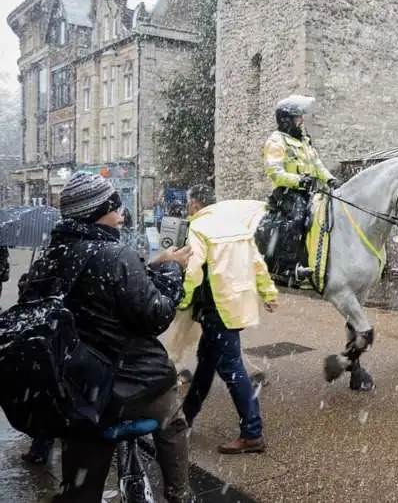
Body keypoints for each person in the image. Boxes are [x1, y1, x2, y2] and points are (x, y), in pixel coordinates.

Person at [19, 172, 194, 502]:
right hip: (132, 386)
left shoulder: (48, 259)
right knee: (172, 418)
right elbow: (156, 315)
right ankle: (179, 493)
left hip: (76, 391)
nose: (122, 213)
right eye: (115, 206)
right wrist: (172, 272)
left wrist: (150, 266)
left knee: (82, 473)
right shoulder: (114, 255)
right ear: (98, 210)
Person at [180, 185, 279, 454]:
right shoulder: (235, 224)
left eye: (190, 205)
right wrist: (268, 293)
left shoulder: (199, 227)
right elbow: (257, 263)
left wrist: (182, 300)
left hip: (216, 307)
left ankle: (252, 433)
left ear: (195, 205)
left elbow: (193, 270)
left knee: (231, 368)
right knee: (206, 362)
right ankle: (185, 416)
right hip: (236, 304)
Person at [263, 94, 341, 286]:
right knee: (297, 217)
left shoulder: (304, 140)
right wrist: (299, 181)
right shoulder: (276, 141)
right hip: (287, 193)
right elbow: (274, 172)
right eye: (298, 117)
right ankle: (287, 267)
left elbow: (317, 164)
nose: (302, 121)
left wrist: (330, 180)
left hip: (307, 191)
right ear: (287, 121)